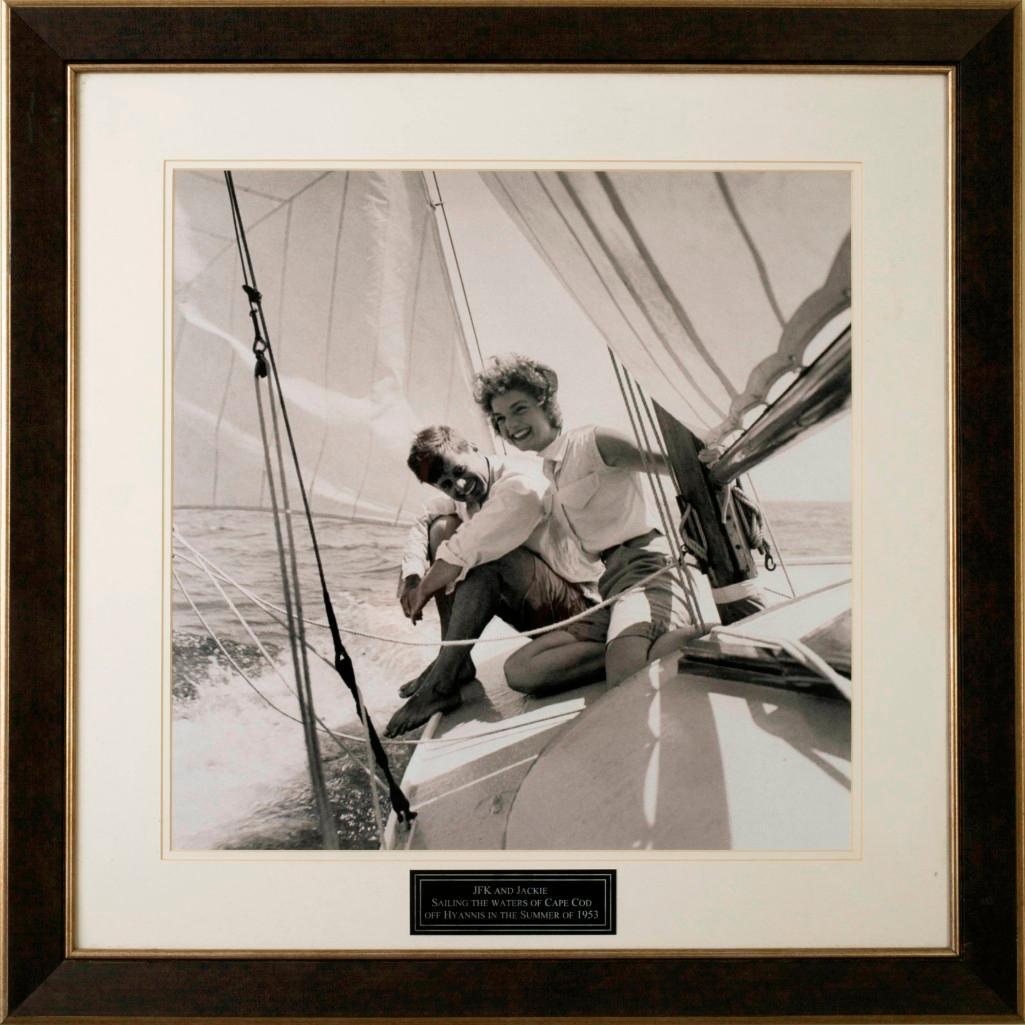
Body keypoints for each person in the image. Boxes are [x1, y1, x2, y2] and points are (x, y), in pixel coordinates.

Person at [473, 354, 698, 690]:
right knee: (522, 671)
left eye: (519, 409)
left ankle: (688, 634)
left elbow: (680, 464)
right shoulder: (548, 472)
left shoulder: (595, 442)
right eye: (500, 418)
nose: (510, 425)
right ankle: (631, 647)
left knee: (626, 680)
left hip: (648, 570)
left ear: (545, 403)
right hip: (610, 585)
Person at [385, 425, 608, 737]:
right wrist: (411, 577)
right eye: (447, 485)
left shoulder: (520, 484)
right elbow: (424, 518)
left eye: (459, 471)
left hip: (586, 608)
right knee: (441, 528)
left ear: (474, 448)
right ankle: (452, 663)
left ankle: (441, 684)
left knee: (487, 564)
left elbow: (467, 549)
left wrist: (424, 589)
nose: (460, 486)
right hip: (545, 611)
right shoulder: (465, 494)